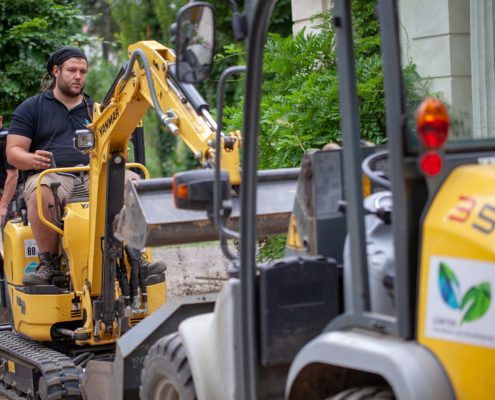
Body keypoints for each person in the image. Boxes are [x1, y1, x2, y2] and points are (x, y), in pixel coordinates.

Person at [7, 46, 165, 286]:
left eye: (83, 71)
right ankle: (49, 265)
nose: (78, 76)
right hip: (52, 174)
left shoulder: (98, 111)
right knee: (41, 192)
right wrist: (30, 160)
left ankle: (135, 256)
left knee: (133, 182)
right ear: (56, 71)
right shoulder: (32, 108)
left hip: (93, 172)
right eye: (72, 70)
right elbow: (13, 151)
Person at [0, 115, 19, 226]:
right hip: (6, 186)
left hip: (18, 187)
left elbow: (13, 175)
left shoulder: (6, 139)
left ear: (1, 119)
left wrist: (3, 205)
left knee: (7, 224)